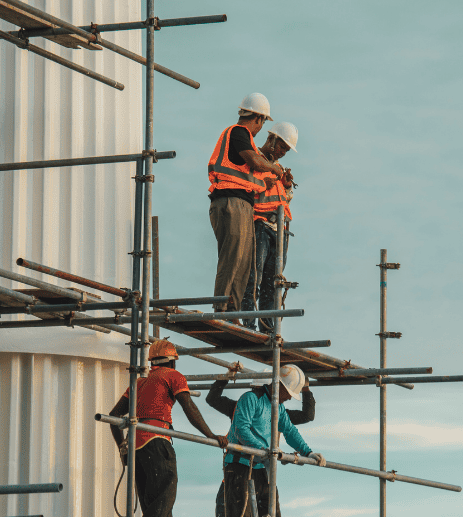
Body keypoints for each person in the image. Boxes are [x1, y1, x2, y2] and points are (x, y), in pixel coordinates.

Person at [109, 339, 229, 517]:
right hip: (157, 442)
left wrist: (123, 448)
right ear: (172, 361)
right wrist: (211, 435)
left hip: (137, 448)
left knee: (154, 507)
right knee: (163, 501)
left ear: (152, 361)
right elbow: (189, 407)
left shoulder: (139, 383)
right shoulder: (173, 375)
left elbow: (113, 417)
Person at [208, 93, 286, 319]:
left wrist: (265, 182)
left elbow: (246, 174)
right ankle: (222, 309)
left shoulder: (244, 139)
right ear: (259, 119)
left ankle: (233, 312)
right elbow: (253, 160)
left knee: (243, 263)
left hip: (241, 204)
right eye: (263, 122)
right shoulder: (238, 132)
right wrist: (273, 168)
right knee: (232, 258)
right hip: (229, 202)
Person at [208, 366, 315, 517]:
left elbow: (290, 430)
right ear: (279, 385)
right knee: (241, 513)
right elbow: (241, 429)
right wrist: (265, 450)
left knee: (271, 513)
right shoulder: (250, 399)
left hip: (263, 469)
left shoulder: (278, 407)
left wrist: (308, 452)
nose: (290, 397)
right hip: (241, 467)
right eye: (289, 393)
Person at [242, 122, 299, 332]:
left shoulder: (277, 169)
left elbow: (282, 199)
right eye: (282, 147)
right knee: (253, 277)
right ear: (272, 139)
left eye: (286, 149)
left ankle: (267, 328)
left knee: (272, 283)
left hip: (279, 230)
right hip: (260, 225)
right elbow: (250, 187)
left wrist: (286, 187)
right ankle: (248, 324)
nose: (283, 152)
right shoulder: (255, 159)